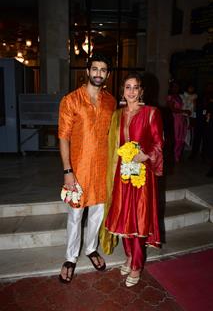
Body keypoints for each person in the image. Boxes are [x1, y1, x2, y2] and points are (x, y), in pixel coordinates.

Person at [99, 72, 164, 287]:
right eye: (128, 87)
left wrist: (145, 155)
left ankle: (136, 265)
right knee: (124, 217)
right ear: (123, 91)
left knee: (139, 219)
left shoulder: (151, 113)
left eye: (136, 87)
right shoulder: (117, 114)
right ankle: (128, 256)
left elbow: (158, 143)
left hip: (142, 176)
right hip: (122, 174)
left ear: (142, 91)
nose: (132, 91)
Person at [58, 52, 116, 283]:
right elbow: (63, 137)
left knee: (97, 214)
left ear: (108, 74)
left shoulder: (111, 101)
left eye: (103, 70)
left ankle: (91, 248)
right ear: (87, 71)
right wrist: (67, 170)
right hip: (78, 169)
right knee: (75, 214)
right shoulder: (70, 100)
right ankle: (71, 257)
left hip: (102, 168)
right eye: (95, 69)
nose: (98, 73)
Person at [166, 81, 190, 162]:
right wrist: (184, 111)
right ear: (171, 87)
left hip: (181, 118)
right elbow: (172, 109)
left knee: (181, 137)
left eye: (177, 86)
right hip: (175, 118)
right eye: (174, 86)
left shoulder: (179, 97)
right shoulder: (170, 96)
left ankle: (177, 156)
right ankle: (173, 156)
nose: (176, 88)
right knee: (176, 137)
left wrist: (185, 112)